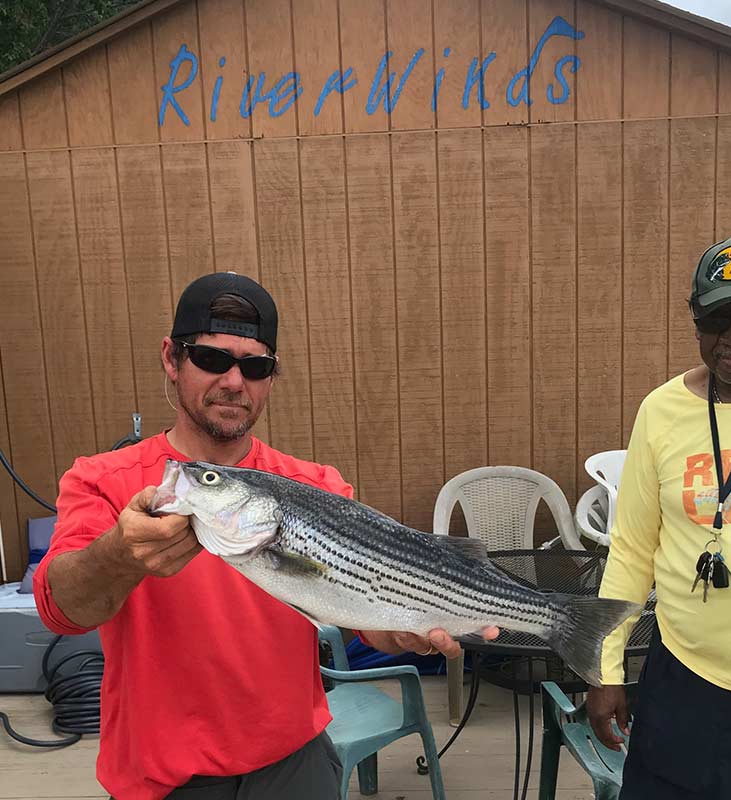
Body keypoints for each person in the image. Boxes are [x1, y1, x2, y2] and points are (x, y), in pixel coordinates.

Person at [33, 272, 494, 800]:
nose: (233, 381)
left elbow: (361, 616)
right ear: (171, 358)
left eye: (254, 367)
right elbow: (59, 608)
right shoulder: (102, 479)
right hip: (161, 779)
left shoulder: (317, 486)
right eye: (211, 359)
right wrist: (117, 555)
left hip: (296, 766)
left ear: (271, 378)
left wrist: (404, 629)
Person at [588, 235, 731, 798]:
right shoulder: (661, 413)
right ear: (695, 323)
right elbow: (631, 551)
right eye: (715, 319)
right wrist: (606, 670)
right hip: (689, 683)